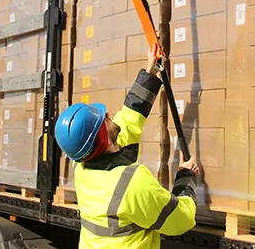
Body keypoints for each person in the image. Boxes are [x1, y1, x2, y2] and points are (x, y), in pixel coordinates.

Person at [55, 44, 200, 249]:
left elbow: (129, 120)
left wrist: (150, 71)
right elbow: (180, 220)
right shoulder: (131, 184)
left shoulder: (84, 169)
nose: (106, 114)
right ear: (103, 139)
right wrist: (187, 178)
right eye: (101, 120)